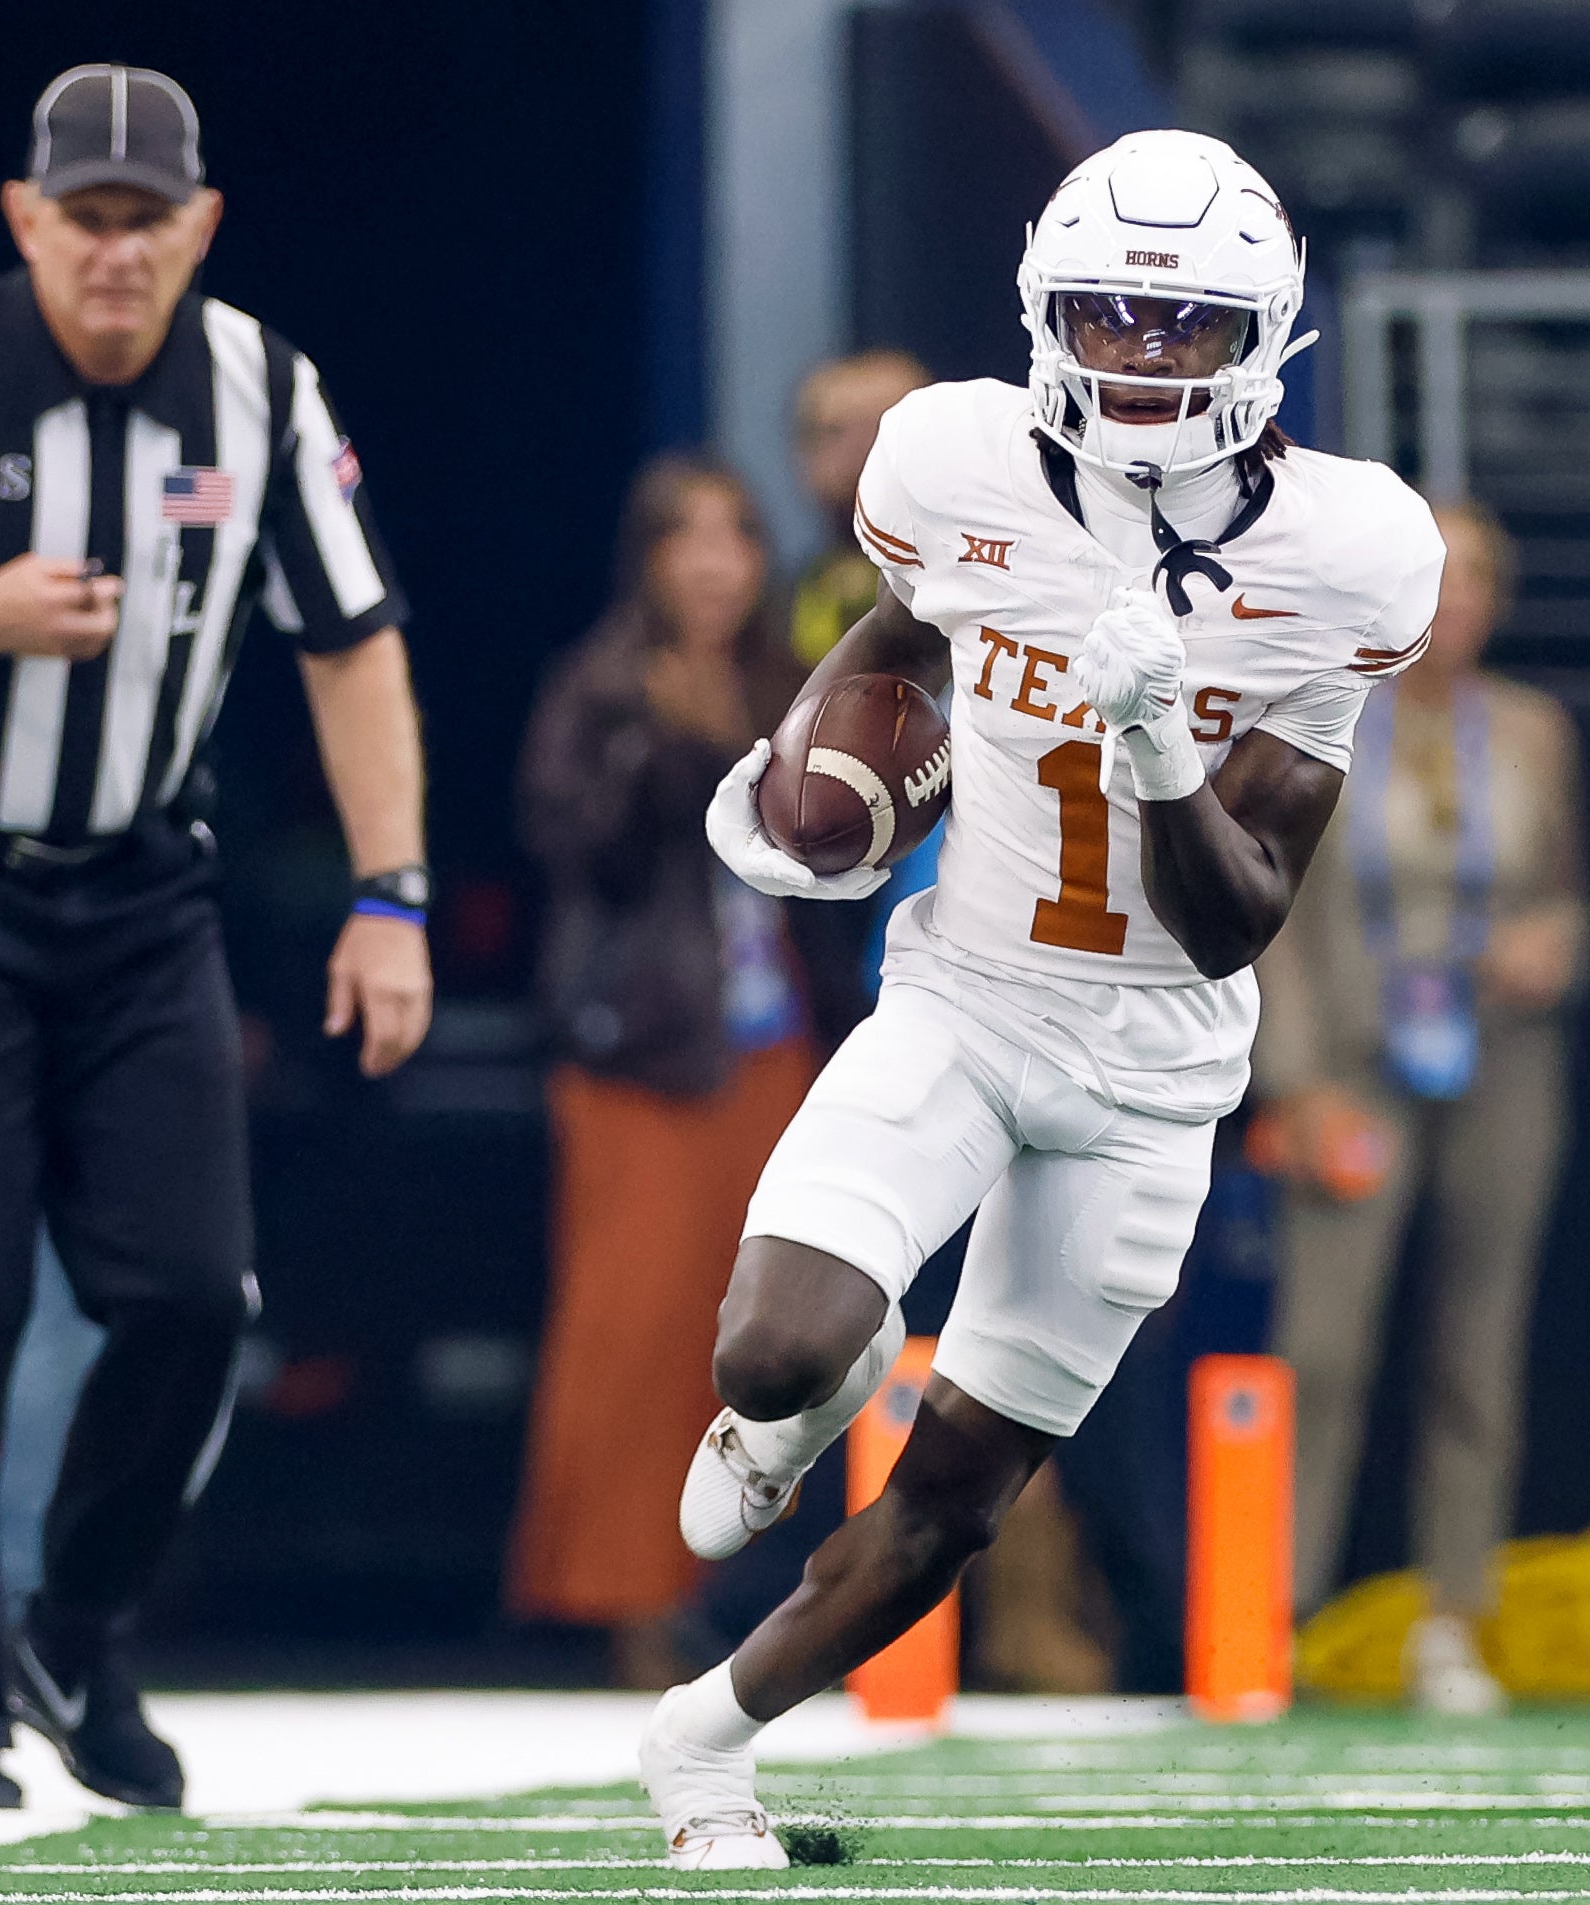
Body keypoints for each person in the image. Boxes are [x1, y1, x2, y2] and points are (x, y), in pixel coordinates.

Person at [644, 128, 1445, 1867]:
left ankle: (702, 1748)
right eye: (1105, 315)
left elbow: (1235, 922)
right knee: (770, 1350)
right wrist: (831, 791)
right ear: (1040, 311)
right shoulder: (950, 456)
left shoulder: (1352, 549)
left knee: (955, 1502)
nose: (1141, 359)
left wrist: (1160, 748)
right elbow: (904, 630)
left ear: (1268, 339)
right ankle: (804, 1399)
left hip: (1156, 1066)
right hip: (969, 992)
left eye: (1185, 328)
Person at [0, 66, 431, 1811]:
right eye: (84, 216)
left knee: (190, 1292)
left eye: (146, 217)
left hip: (137, 880)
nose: (114, 251)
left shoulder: (261, 384)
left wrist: (390, 893)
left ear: (200, 226)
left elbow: (350, 638)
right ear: (26, 217)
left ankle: (80, 1624)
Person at [507, 453, 855, 1686]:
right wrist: (668, 751)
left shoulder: (795, 683)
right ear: (647, 559)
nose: (712, 562)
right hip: (644, 1060)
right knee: (635, 1329)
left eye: (735, 536)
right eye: (684, 538)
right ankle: (630, 1605)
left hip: (778, 1048)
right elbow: (565, 849)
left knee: (781, 1335)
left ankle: (764, 1592)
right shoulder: (600, 687)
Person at [1249, 500, 1586, 1717]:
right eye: (1437, 580)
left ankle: (1451, 1621)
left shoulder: (1535, 732)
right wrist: (1292, 1084)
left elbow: (1567, 903)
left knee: (1475, 1353)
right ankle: (1271, 1617)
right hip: (1356, 1066)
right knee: (1323, 1348)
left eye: (1480, 578)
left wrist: (1553, 944)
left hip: (1501, 1062)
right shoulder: (1321, 721)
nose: (1460, 604)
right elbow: (1268, 915)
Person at [787, 350, 933, 669]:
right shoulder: (774, 609)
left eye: (883, 424)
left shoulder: (981, 587)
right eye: (837, 431)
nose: (862, 449)